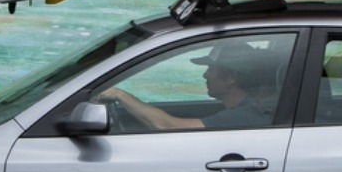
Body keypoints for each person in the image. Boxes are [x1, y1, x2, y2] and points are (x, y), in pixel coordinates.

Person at [97, 41, 272, 129]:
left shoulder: (244, 116)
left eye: (211, 69)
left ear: (231, 77)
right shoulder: (250, 108)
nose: (205, 74)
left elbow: (167, 126)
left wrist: (120, 95)